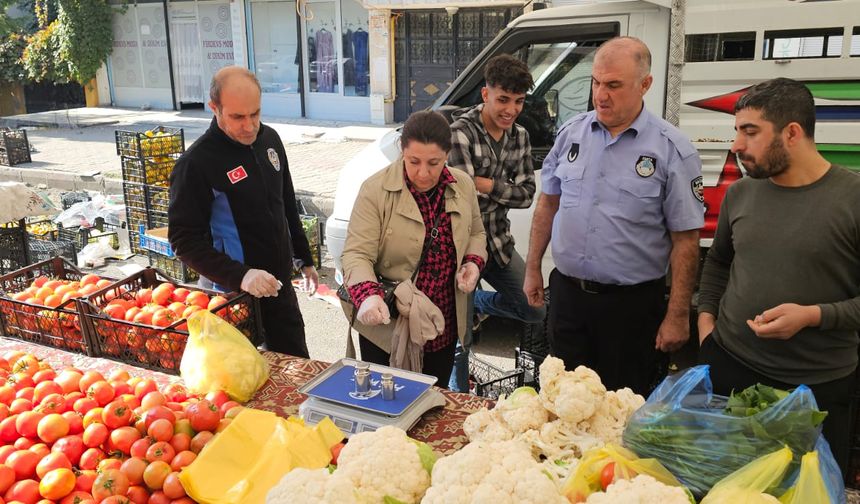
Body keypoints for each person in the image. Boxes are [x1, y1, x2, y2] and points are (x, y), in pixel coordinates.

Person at [523, 37, 704, 395]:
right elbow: (548, 204)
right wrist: (532, 268)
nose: (600, 95)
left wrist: (678, 314)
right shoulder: (571, 135)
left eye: (614, 85)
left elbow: (686, 241)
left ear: (645, 84)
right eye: (596, 82)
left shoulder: (672, 150)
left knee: (621, 410)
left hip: (630, 310)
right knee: (562, 404)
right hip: (569, 300)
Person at [697, 77, 860, 475]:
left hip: (816, 389)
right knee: (726, 489)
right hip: (731, 370)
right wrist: (706, 330)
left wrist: (813, 316)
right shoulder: (740, 194)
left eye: (750, 132)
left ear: (792, 133)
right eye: (737, 131)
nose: (736, 145)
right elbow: (718, 263)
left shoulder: (852, 199)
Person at [168, 66, 318, 358]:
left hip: (278, 287)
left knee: (295, 371)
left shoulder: (270, 140)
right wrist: (241, 275)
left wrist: (304, 258)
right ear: (215, 108)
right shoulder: (196, 164)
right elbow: (183, 241)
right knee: (240, 386)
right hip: (231, 296)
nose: (249, 126)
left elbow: (286, 201)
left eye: (255, 114)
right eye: (237, 117)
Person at [340, 110, 487, 386]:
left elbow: (477, 232)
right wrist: (368, 297)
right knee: (387, 403)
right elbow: (357, 253)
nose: (423, 173)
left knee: (433, 396)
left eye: (434, 163)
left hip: (442, 321)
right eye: (413, 161)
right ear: (401, 152)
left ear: (447, 155)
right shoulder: (375, 190)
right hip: (389, 323)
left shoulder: (463, 185)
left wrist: (472, 263)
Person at [446, 54, 546, 392]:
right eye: (504, 99)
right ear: (485, 94)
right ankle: (458, 405)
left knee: (535, 309)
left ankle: (476, 302)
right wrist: (498, 189)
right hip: (461, 248)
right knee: (461, 343)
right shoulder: (460, 133)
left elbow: (527, 195)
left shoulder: (520, 136)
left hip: (499, 242)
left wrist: (487, 184)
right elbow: (464, 194)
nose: (511, 109)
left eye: (518, 101)